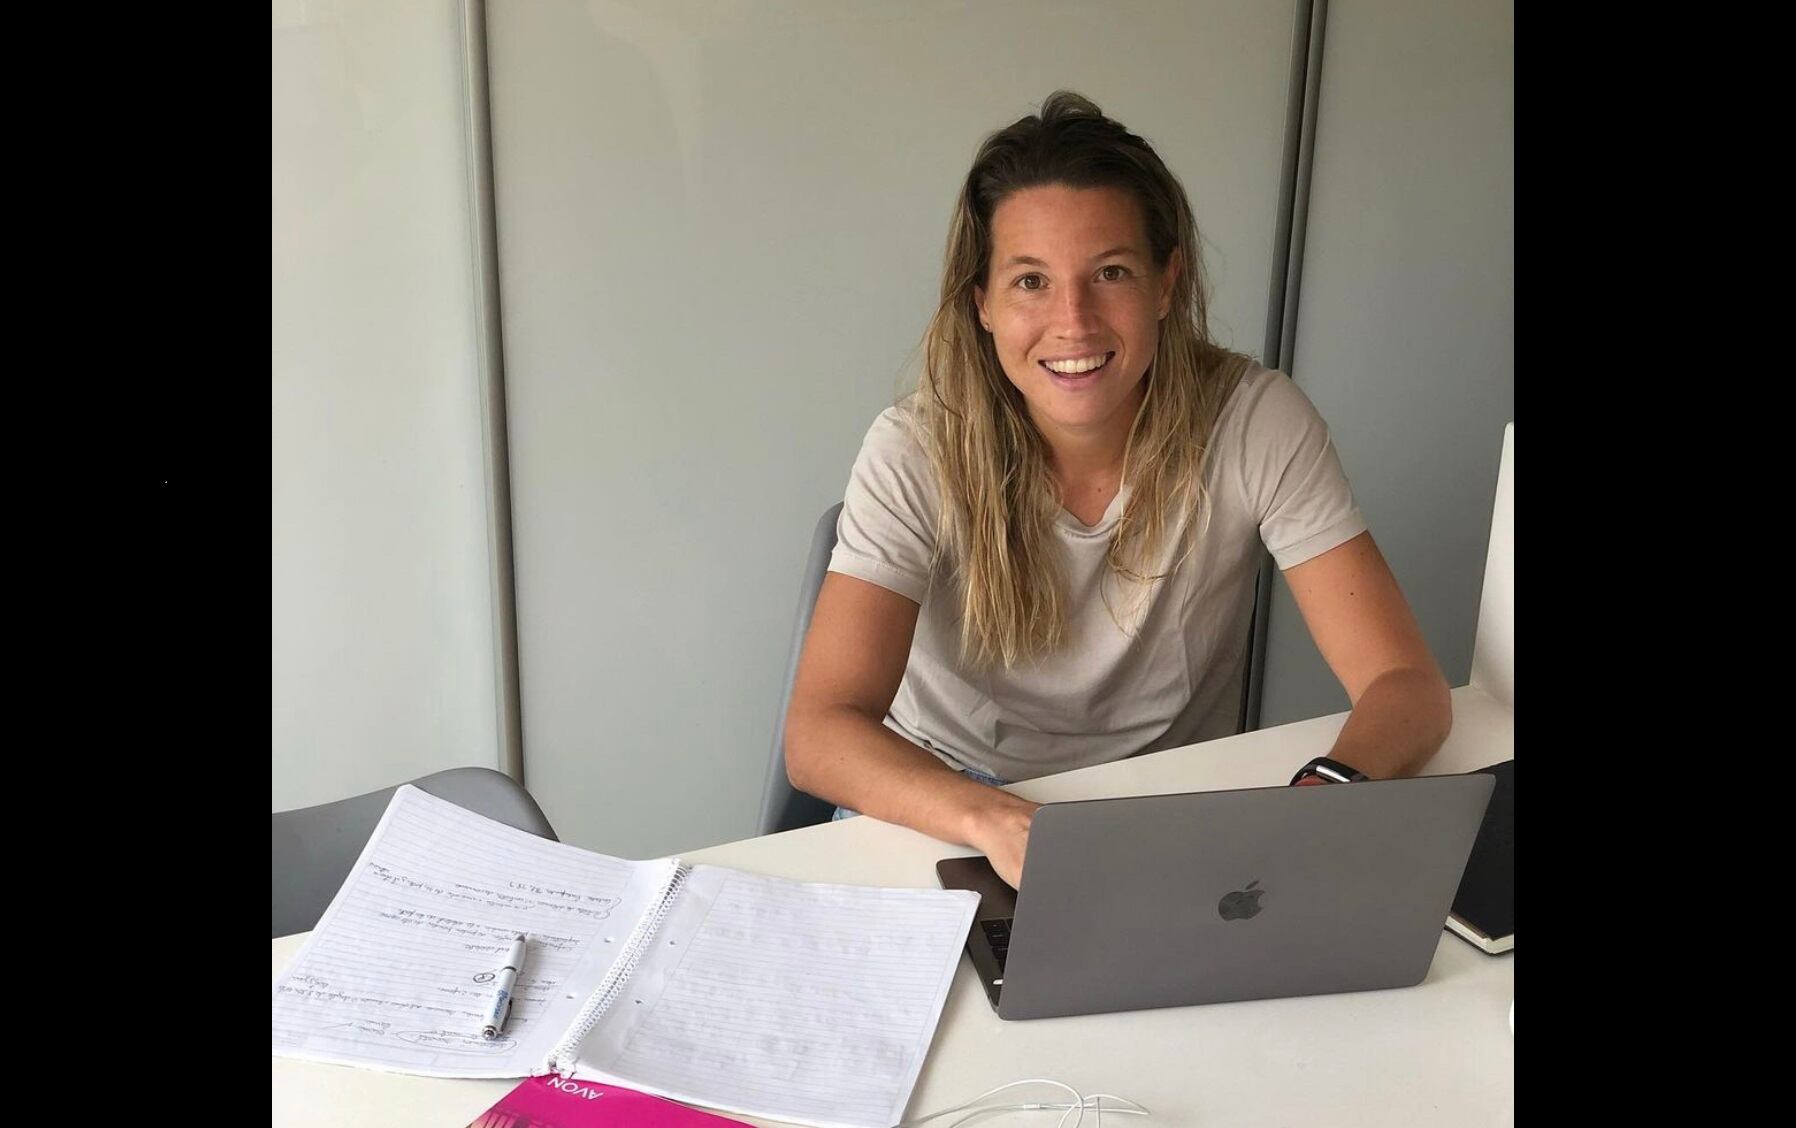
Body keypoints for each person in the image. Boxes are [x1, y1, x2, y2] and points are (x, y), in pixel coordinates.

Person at [783, 91, 1450, 889]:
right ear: (983, 305)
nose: (1074, 322)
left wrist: (1321, 796)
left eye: (1111, 272)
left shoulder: (1256, 421)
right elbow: (821, 732)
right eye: (1030, 280)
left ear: (1166, 283)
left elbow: (1406, 686)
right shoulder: (914, 449)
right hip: (939, 810)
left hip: (1159, 814)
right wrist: (995, 820)